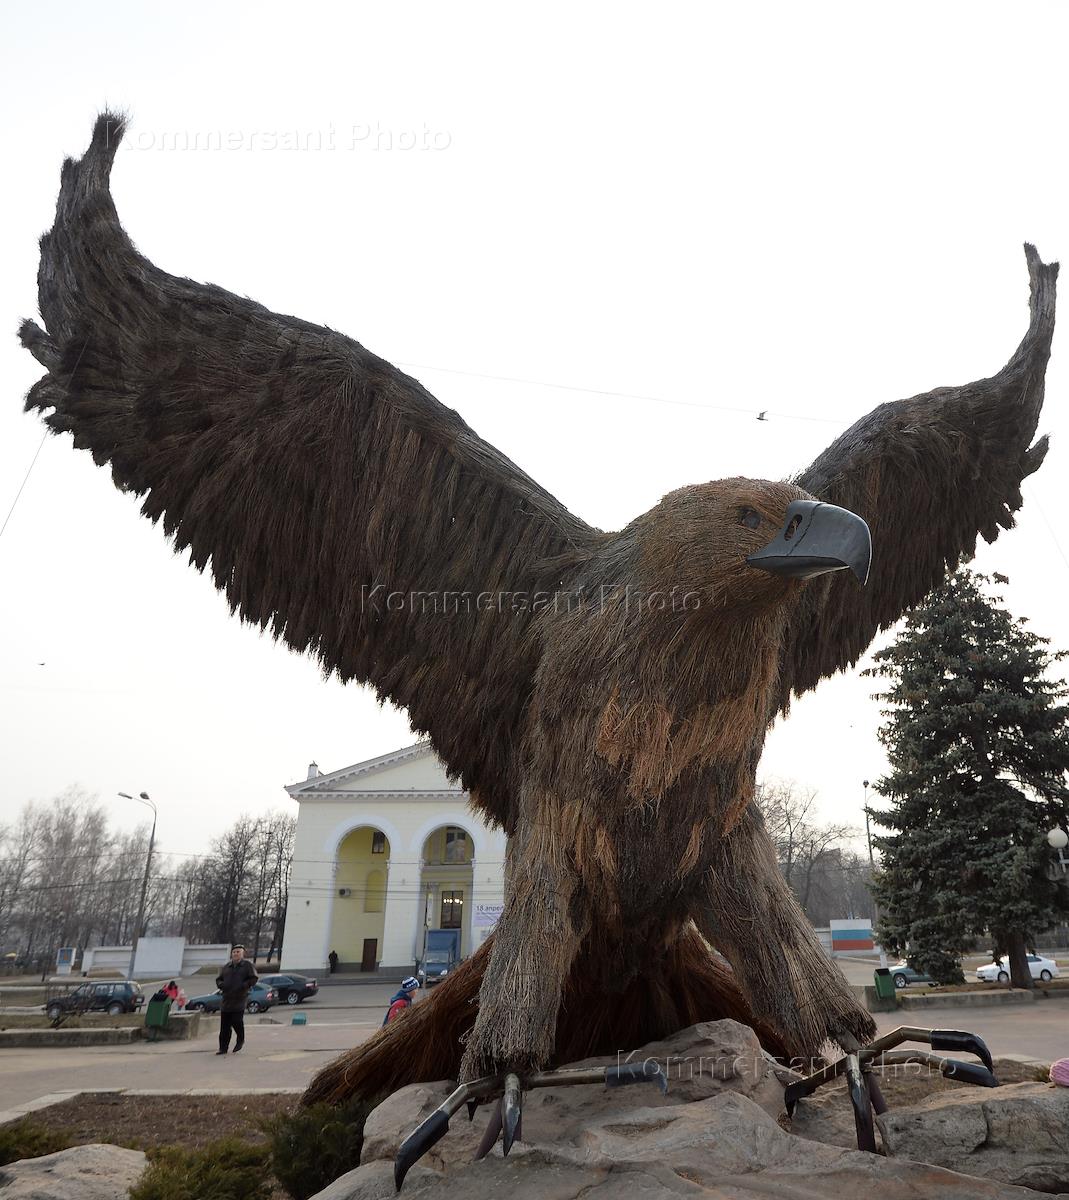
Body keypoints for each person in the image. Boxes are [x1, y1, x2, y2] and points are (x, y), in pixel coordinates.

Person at [215, 944, 258, 1055]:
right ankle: (223, 1048)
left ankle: (240, 1039)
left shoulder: (247, 965)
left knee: (237, 1021)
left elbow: (254, 978)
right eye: (234, 952)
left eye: (238, 952)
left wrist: (245, 985)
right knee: (224, 1027)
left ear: (242, 954)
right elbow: (218, 979)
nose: (235, 954)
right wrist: (222, 985)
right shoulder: (226, 967)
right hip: (226, 999)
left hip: (240, 998)